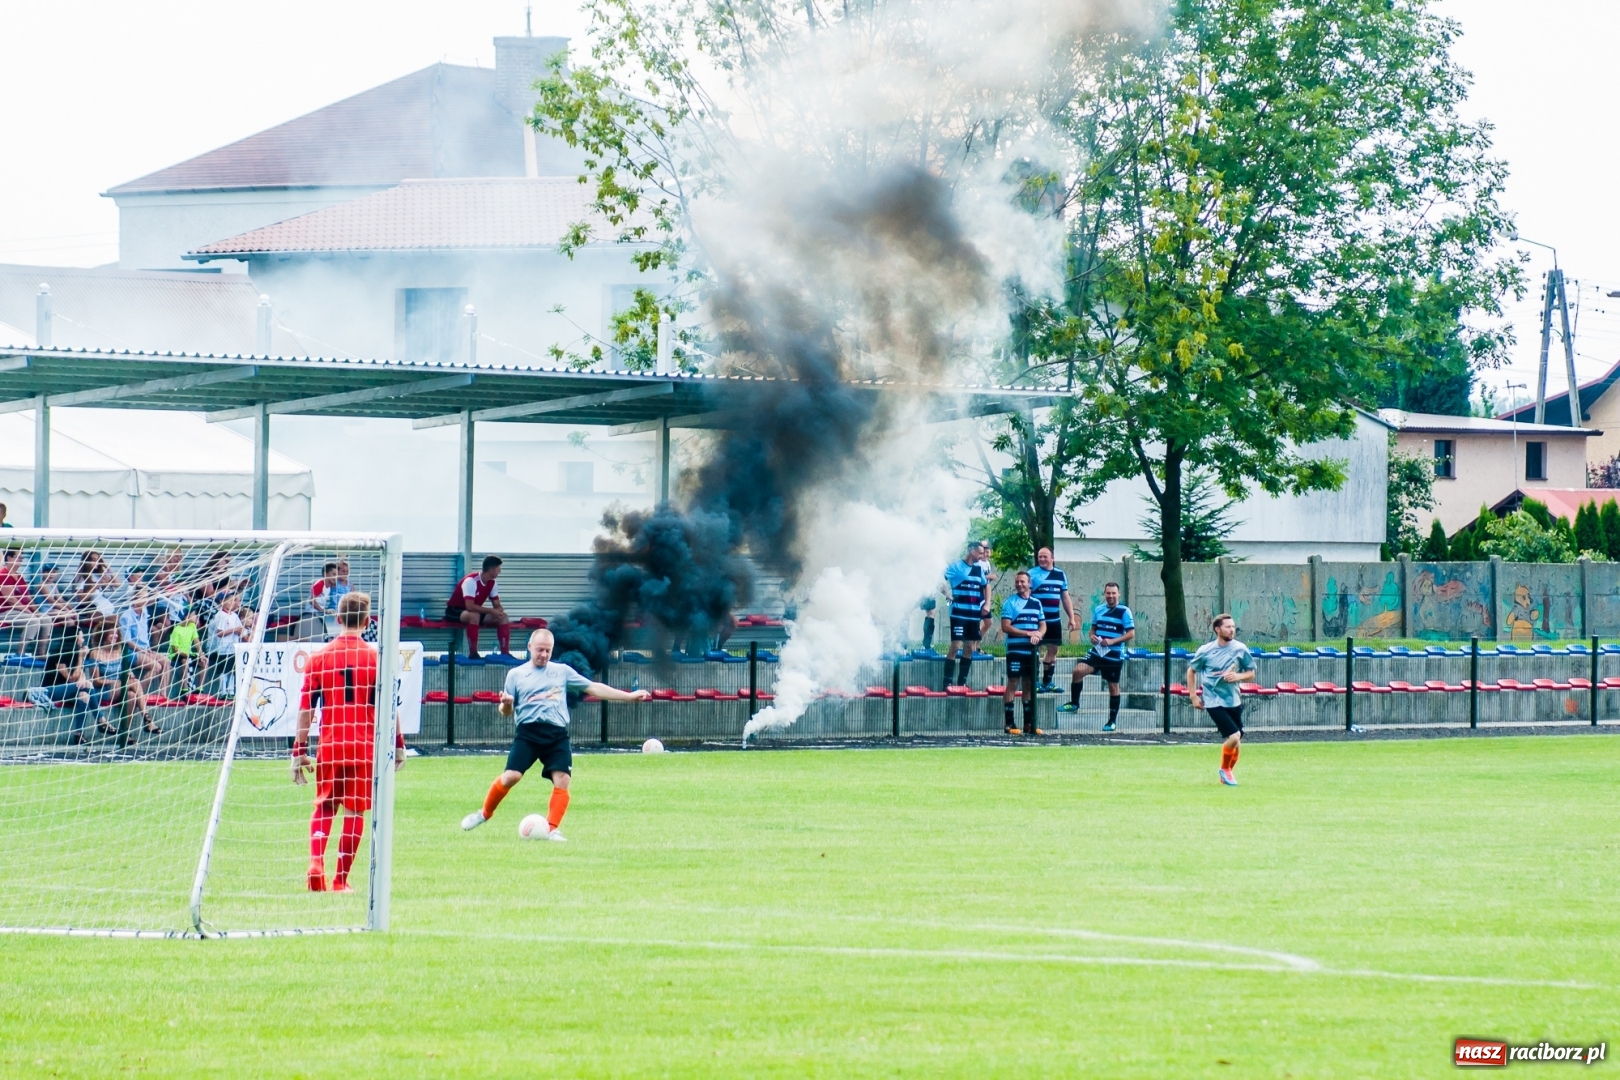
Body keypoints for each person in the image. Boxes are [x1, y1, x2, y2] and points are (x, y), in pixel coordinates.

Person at [460, 628, 650, 841]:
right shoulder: (516, 675)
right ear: (529, 647)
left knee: (562, 779)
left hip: (557, 735)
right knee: (511, 777)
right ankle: (484, 813)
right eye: (540, 649)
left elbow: (593, 687)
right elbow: (506, 713)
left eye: (548, 651)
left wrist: (629, 696)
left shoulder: (562, 671)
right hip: (528, 734)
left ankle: (552, 829)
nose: (543, 654)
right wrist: (506, 704)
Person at [291, 592, 405, 892]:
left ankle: (316, 862)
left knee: (324, 806)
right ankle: (340, 881)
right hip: (364, 746)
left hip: (330, 744)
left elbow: (306, 711)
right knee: (354, 811)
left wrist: (298, 752)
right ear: (368, 621)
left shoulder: (318, 659)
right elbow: (389, 707)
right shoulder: (378, 659)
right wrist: (399, 744)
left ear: (337, 619)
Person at [1187, 614, 1257, 786]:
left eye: (1233, 626)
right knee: (1234, 737)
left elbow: (1251, 672)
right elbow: (1191, 671)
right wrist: (1194, 696)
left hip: (1232, 700)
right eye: (1228, 627)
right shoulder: (1205, 651)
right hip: (1213, 700)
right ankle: (1224, 769)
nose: (1232, 630)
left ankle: (1226, 774)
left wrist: (1238, 676)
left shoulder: (1240, 649)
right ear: (1217, 629)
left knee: (1237, 743)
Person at [1061, 581, 1135, 731]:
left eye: (1114, 593)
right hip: (1097, 652)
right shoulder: (1099, 610)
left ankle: (1112, 721)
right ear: (1104, 594)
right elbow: (1092, 630)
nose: (1111, 596)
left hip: (1113, 655)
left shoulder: (1124, 611)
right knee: (1077, 671)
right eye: (1108, 593)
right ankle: (1074, 703)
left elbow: (1131, 634)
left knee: (1112, 685)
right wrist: (1092, 637)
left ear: (1118, 594)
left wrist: (1113, 641)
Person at [29, 621, 102, 744]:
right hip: (50, 691)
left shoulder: (75, 653)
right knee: (87, 687)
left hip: (68, 692)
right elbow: (72, 679)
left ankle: (79, 734)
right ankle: (101, 720)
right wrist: (81, 658)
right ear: (74, 637)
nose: (83, 640)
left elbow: (81, 676)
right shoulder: (59, 654)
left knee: (84, 695)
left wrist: (84, 679)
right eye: (81, 636)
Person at [999, 571, 1045, 736]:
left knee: (1029, 684)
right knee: (1013, 683)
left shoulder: (1037, 603)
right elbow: (1006, 627)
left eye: (1022, 581)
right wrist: (1027, 634)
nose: (1019, 584)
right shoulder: (1010, 603)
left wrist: (1039, 634)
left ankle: (1028, 724)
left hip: (1032, 652)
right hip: (1015, 650)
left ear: (1029, 583)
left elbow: (1043, 625)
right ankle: (1009, 724)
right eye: (1017, 582)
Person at [940, 541, 990, 690]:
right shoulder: (956, 567)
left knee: (969, 647)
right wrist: (947, 594)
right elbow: (939, 579)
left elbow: (986, 585)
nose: (983, 556)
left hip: (974, 615)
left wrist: (987, 604)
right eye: (980, 553)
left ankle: (961, 683)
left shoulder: (978, 569)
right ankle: (947, 683)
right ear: (971, 551)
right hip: (959, 614)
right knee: (956, 646)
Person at [1027, 548, 1077, 692]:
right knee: (1037, 648)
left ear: (1052, 558)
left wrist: (1072, 617)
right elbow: (1027, 595)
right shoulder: (1032, 574)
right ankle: (1034, 681)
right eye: (1039, 557)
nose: (1042, 559)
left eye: (1045, 557)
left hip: (1054, 619)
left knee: (1053, 649)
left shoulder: (1060, 574)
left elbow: (1065, 597)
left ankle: (1047, 681)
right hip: (1037, 620)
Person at [116, 589, 166, 734]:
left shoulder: (145, 613)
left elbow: (144, 635)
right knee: (156, 666)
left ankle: (163, 695)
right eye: (143, 597)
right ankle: (142, 695)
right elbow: (127, 641)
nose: (146, 599)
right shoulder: (126, 616)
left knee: (165, 661)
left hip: (144, 648)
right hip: (132, 651)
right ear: (135, 599)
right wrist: (142, 650)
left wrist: (148, 649)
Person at [446, 554, 511, 658]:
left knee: (504, 617)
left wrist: (498, 611)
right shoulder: (471, 581)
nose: (500, 571)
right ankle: (473, 653)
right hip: (454, 611)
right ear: (491, 570)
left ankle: (505, 653)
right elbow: (470, 606)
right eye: (498, 568)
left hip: (474, 611)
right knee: (474, 615)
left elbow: (497, 605)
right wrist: (491, 611)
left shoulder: (492, 583)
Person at [0, 548, 48, 658]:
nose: (21, 560)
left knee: (46, 619)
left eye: (22, 558)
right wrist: (29, 612)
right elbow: (10, 599)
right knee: (33, 621)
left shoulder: (19, 577)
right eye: (18, 557)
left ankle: (41, 652)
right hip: (5, 612)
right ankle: (20, 653)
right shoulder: (3, 574)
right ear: (9, 558)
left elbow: (28, 598)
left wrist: (36, 611)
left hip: (19, 611)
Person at [208, 592, 246, 694]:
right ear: (222, 602)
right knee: (223, 670)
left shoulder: (234, 615)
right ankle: (222, 692)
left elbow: (240, 629)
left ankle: (231, 691)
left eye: (233, 600)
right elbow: (219, 633)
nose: (232, 603)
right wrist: (234, 630)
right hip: (222, 649)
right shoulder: (220, 615)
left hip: (233, 647)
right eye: (229, 600)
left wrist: (240, 631)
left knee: (232, 670)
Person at [167, 610, 204, 697]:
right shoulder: (176, 629)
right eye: (194, 615)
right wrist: (185, 654)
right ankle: (185, 689)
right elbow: (175, 649)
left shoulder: (192, 626)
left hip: (188, 654)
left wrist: (201, 654)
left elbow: (196, 641)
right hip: (176, 655)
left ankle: (199, 688)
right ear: (187, 617)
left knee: (204, 662)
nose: (196, 617)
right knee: (185, 661)